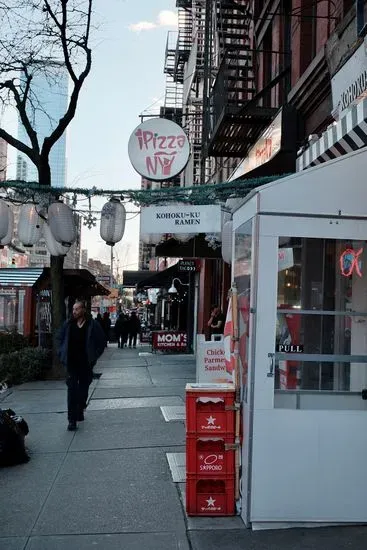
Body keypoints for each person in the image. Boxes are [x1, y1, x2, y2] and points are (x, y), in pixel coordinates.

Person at [57, 300, 106, 431]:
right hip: (71, 364)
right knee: (72, 391)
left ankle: (80, 409)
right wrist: (61, 353)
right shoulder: (68, 325)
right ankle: (71, 420)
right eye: (73, 309)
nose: (74, 312)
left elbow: (101, 342)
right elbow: (59, 339)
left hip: (85, 364)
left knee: (83, 390)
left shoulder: (92, 325)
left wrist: (93, 357)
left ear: (83, 310)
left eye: (77, 309)